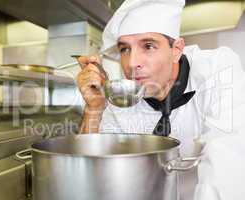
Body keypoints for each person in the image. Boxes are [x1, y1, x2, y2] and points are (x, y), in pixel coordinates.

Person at [76, 0, 245, 199]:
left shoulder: (216, 70)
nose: (132, 63)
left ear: (176, 50)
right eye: (125, 49)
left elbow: (228, 159)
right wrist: (94, 109)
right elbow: (92, 172)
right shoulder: (122, 99)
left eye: (148, 46)